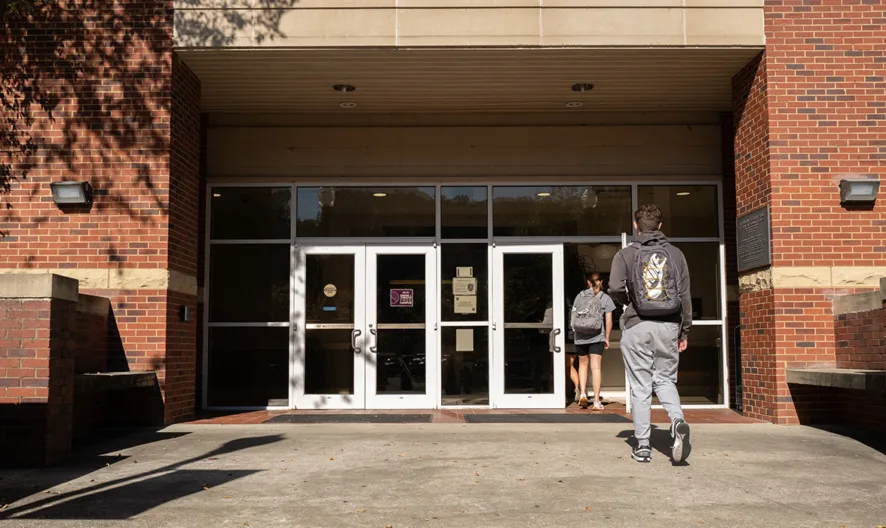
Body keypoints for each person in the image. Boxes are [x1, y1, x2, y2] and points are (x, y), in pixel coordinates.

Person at [609, 204, 692, 464]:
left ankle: (643, 446)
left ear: (636, 226)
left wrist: (627, 301)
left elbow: (614, 287)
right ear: (660, 226)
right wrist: (684, 330)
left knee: (641, 386)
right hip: (668, 325)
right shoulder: (676, 254)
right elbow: (685, 296)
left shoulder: (626, 254)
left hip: (637, 324)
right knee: (665, 380)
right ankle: (677, 420)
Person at [569, 272, 615, 409]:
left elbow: (573, 316)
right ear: (601, 282)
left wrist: (575, 332)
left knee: (582, 365)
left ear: (588, 282)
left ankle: (582, 394)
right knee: (595, 368)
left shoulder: (579, 296)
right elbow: (609, 321)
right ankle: (596, 401)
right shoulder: (605, 298)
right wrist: (607, 337)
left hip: (580, 336)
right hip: (597, 336)